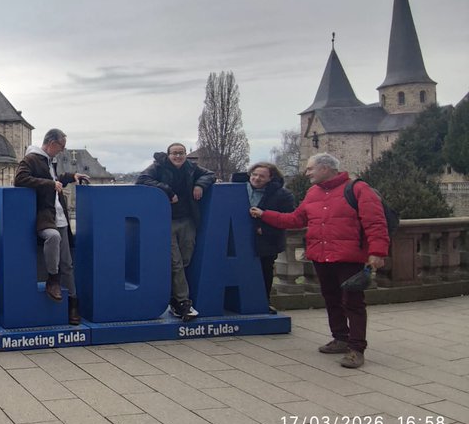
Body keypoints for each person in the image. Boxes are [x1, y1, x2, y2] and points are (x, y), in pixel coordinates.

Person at [250, 153, 387, 369]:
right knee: (331, 299)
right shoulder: (313, 192)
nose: (307, 173)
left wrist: (377, 252)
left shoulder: (358, 189)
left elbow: (375, 223)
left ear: (325, 168)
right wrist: (265, 214)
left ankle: (356, 349)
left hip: (349, 257)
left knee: (353, 302)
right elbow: (296, 219)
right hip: (321, 256)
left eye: (310, 169)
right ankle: (340, 338)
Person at [136, 143, 216, 321]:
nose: (178, 156)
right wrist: (166, 190)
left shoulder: (191, 167)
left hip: (187, 219)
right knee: (175, 262)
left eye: (181, 153)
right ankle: (183, 302)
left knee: (186, 258)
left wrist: (200, 185)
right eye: (174, 153)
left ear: (186, 155)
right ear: (168, 154)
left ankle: (174, 299)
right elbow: (142, 180)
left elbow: (210, 174)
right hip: (166, 221)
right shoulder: (158, 166)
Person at [14, 128, 87, 320]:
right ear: (52, 143)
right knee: (52, 237)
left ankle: (73, 303)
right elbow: (20, 179)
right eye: (61, 147)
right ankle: (52, 279)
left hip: (60, 216)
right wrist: (49, 184)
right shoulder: (30, 159)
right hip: (45, 216)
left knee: (68, 264)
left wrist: (72, 177)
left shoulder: (49, 161)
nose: (62, 151)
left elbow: (55, 181)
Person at [231, 162, 295, 312]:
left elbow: (288, 219)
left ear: (270, 178)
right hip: (239, 239)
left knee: (264, 271)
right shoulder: (237, 188)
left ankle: (263, 302)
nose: (256, 178)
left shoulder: (283, 195)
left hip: (266, 241)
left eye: (261, 176)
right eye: (254, 175)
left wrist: (264, 229)